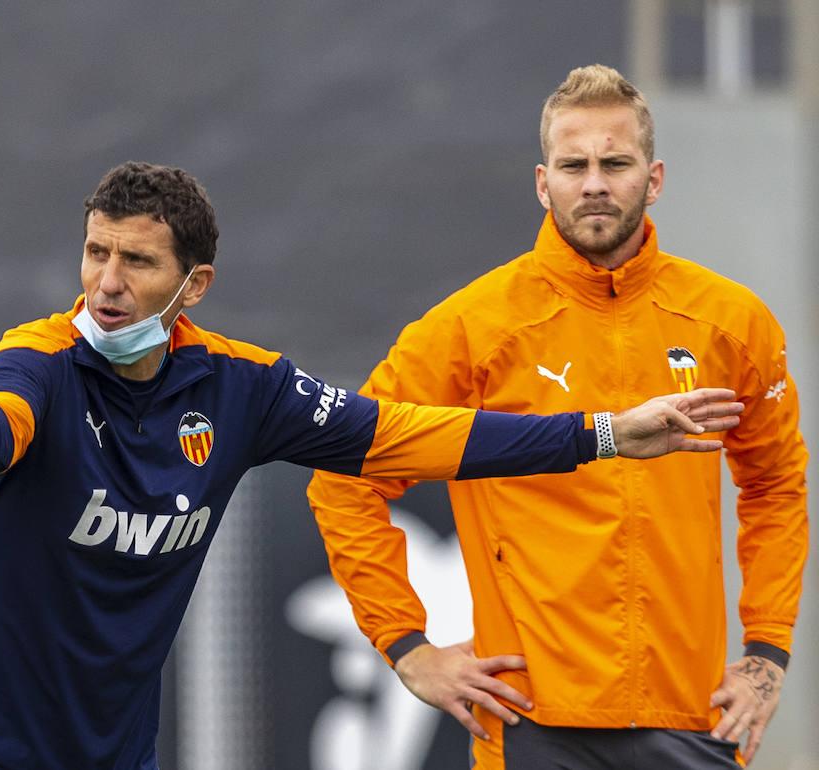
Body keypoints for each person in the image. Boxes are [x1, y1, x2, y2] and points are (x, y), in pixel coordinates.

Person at [0, 160, 742, 770]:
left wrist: (600, 434)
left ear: (196, 284)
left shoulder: (241, 387)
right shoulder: (36, 357)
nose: (107, 282)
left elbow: (417, 435)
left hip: (109, 752)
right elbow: (5, 423)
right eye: (96, 253)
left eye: (137, 261)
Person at [307, 64, 808, 769]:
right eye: (574, 165)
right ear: (544, 184)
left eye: (616, 163)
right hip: (533, 721)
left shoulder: (729, 322)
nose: (595, 182)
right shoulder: (473, 329)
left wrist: (767, 652)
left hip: (692, 714)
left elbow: (777, 485)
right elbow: (344, 473)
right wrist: (407, 647)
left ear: (654, 179)